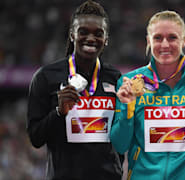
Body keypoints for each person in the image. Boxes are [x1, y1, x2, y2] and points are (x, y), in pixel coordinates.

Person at [110, 10, 185, 180]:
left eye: (172, 37)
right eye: (158, 38)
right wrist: (127, 109)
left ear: (184, 41)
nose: (165, 45)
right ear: (148, 41)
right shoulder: (129, 82)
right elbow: (120, 145)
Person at [27, 1, 123, 179]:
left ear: (106, 39)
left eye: (98, 33)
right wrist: (59, 112)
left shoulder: (116, 78)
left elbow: (121, 136)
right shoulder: (46, 77)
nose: (91, 38)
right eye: (83, 32)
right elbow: (35, 138)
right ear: (72, 35)